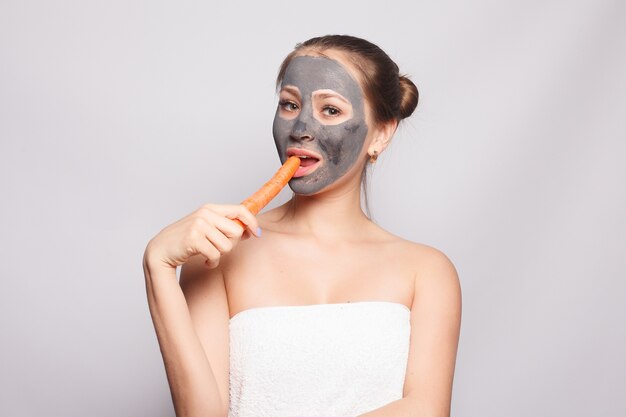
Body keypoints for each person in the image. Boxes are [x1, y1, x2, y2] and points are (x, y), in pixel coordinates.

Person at [143, 34, 462, 417]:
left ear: (380, 133)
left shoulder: (427, 271)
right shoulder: (218, 252)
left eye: (330, 110)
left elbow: (426, 410)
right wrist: (157, 267)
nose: (301, 128)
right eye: (290, 105)